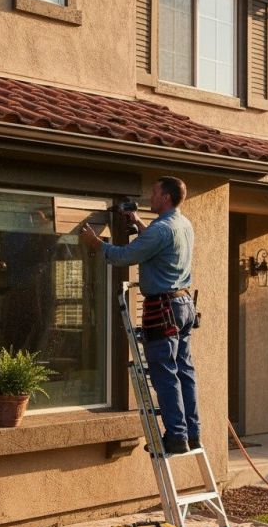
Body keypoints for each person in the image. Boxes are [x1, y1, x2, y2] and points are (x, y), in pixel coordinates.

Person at [79, 176, 199, 455]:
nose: (150, 196)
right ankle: (192, 434)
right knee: (184, 372)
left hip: (163, 309)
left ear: (166, 197)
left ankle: (176, 437)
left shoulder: (160, 230)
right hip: (183, 305)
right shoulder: (182, 223)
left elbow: (124, 256)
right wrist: (139, 224)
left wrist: (96, 244)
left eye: (155, 193)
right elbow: (159, 243)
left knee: (165, 373)